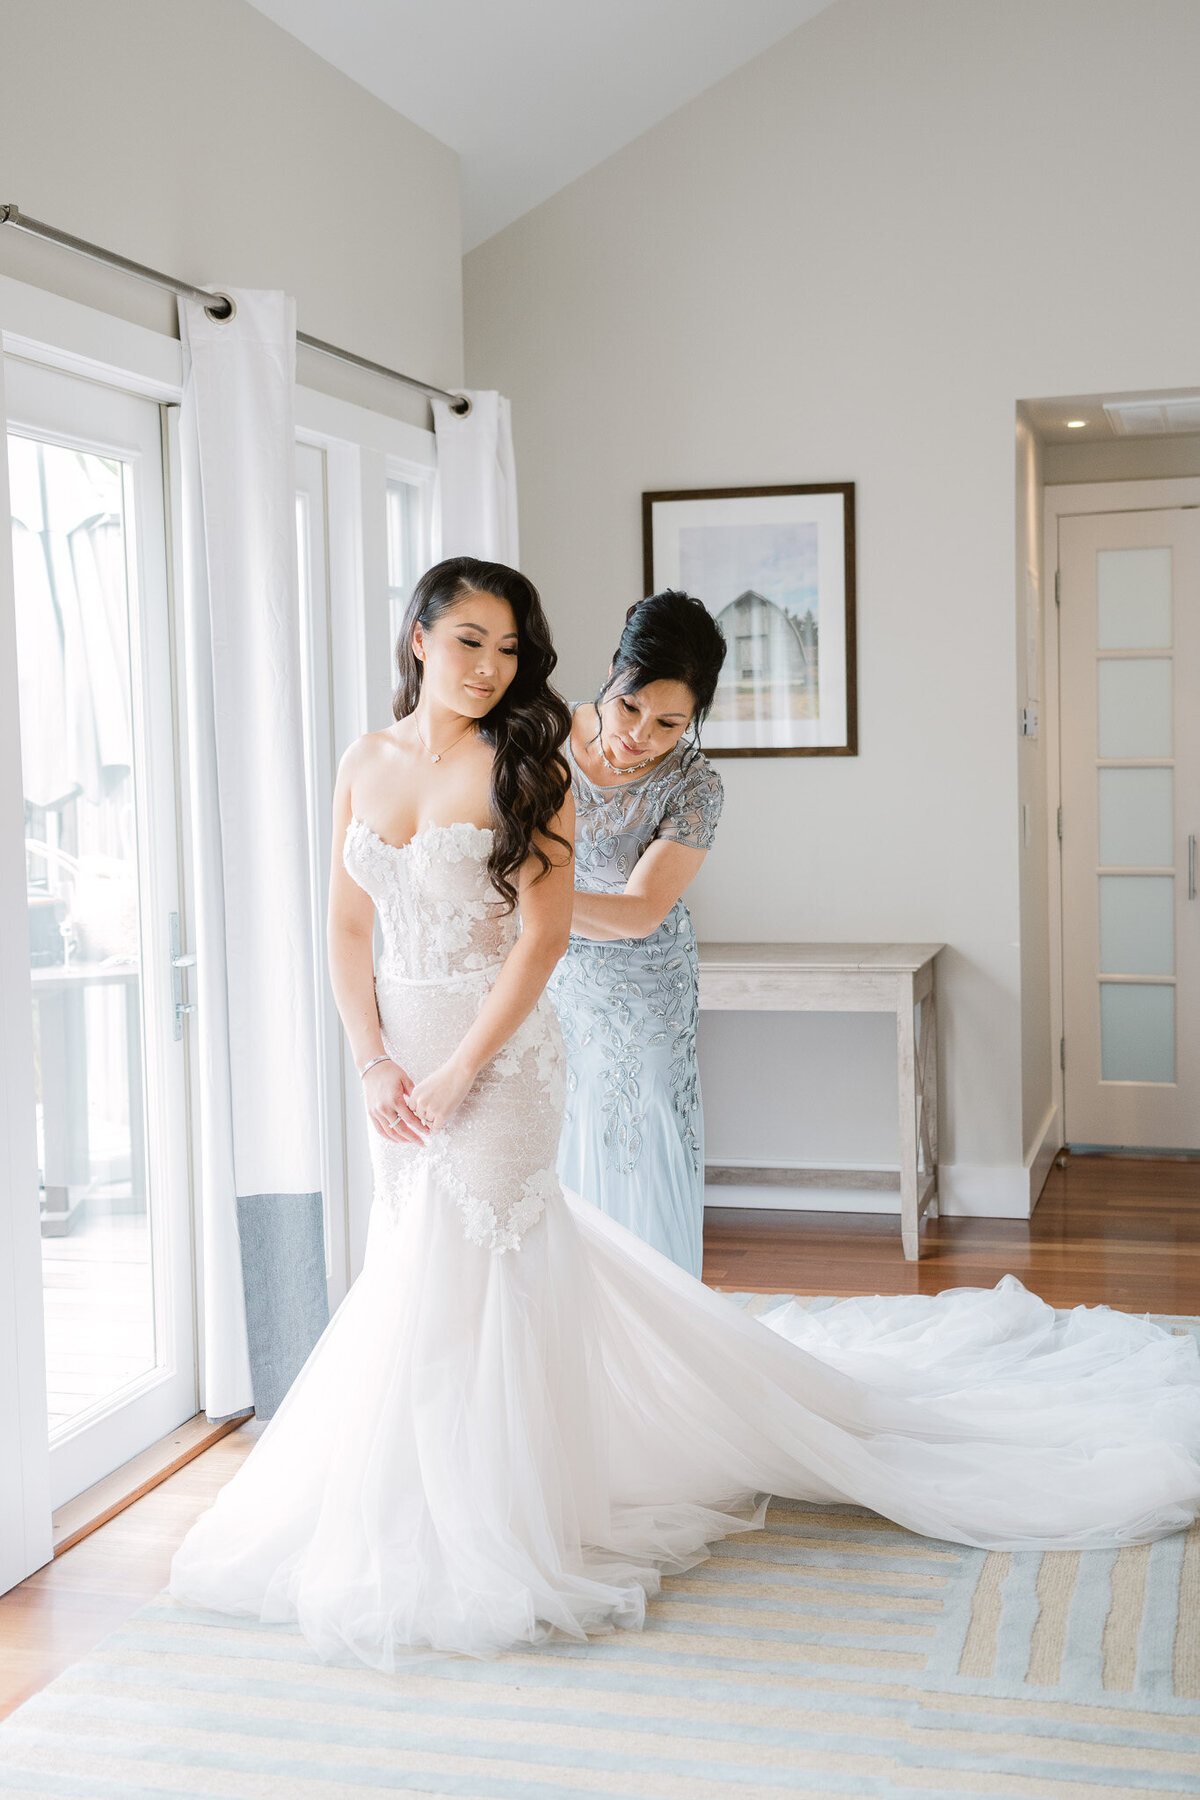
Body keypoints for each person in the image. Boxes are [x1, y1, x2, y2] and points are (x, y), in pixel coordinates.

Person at [169, 555, 1200, 1672]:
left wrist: (482, 1026)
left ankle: (507, 1507)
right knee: (423, 1262)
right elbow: (349, 927)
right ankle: (433, 1478)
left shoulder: (564, 770)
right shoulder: (385, 757)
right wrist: (372, 1058)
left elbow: (570, 925)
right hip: (408, 1059)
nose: (489, 666)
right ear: (418, 634)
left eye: (508, 648)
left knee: (507, 1247)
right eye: (469, 640)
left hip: (520, 1042)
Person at [552, 592, 726, 1275]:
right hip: (553, 977)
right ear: (612, 673)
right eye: (630, 707)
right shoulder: (542, 738)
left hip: (647, 988)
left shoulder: (695, 785)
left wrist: (527, 901)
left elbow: (640, 912)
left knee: (642, 1138)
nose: (640, 734)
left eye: (670, 723)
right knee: (564, 1134)